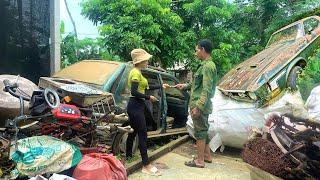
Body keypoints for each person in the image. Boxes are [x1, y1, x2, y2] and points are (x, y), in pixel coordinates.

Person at [126, 48, 169, 176]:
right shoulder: (135, 72)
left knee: (134, 131)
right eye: (146, 60)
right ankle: (146, 165)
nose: (147, 62)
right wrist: (148, 97)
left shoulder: (139, 72)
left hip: (138, 105)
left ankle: (128, 156)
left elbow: (147, 87)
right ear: (141, 61)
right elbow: (134, 92)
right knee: (143, 133)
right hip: (135, 105)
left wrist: (161, 86)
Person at [176, 39, 217, 168]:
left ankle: (200, 161)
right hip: (201, 104)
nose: (195, 53)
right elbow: (198, 85)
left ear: (203, 49)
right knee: (203, 131)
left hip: (200, 105)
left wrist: (199, 107)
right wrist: (185, 86)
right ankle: (207, 156)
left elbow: (207, 89)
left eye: (197, 50)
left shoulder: (207, 66)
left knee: (200, 133)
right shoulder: (205, 65)